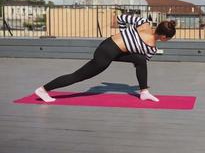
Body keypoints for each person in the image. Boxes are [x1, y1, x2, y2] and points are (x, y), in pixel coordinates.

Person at [35, 14, 176, 103]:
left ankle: (144, 92)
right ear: (164, 36)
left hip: (108, 44)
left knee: (139, 59)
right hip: (106, 53)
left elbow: (121, 18)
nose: (168, 40)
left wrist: (124, 34)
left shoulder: (143, 22)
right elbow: (143, 60)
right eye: (169, 38)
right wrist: (127, 41)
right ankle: (43, 89)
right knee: (78, 76)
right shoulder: (151, 48)